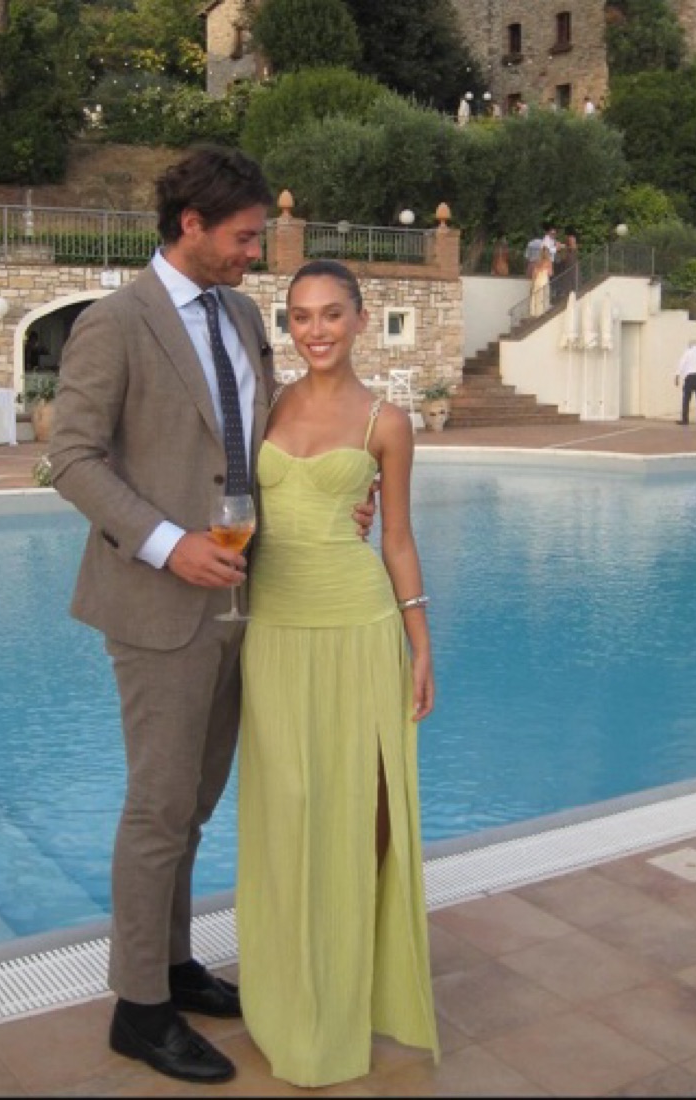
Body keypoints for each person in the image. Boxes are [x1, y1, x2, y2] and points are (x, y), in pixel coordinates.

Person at [47, 145, 374, 1087]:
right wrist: (166, 544)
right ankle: (138, 1009)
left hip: (246, 596)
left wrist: (329, 499)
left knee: (193, 805)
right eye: (243, 237)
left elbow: (262, 438)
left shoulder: (239, 315)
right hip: (160, 602)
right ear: (190, 225)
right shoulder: (115, 323)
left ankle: (174, 964)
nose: (254, 253)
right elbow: (72, 458)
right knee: (158, 807)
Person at [236, 259, 439, 1087]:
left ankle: (356, 987)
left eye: (330, 314)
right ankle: (291, 990)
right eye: (300, 316)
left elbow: (396, 538)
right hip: (275, 629)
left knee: (365, 809)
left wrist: (421, 644)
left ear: (359, 319)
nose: (314, 330)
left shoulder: (387, 422)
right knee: (287, 810)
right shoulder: (265, 403)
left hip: (360, 627)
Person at [674, 339, 696, 425]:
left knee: (686, 399)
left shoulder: (687, 352)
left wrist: (677, 376)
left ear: (690, 345)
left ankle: (685, 419)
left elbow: (681, 364)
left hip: (690, 377)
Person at [529, 245, 553, 317]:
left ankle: (536, 312)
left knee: (536, 296)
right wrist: (546, 270)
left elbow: (534, 274)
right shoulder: (548, 262)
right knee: (543, 296)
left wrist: (532, 284)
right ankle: (542, 312)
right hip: (544, 280)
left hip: (537, 281)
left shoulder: (537, 262)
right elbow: (550, 273)